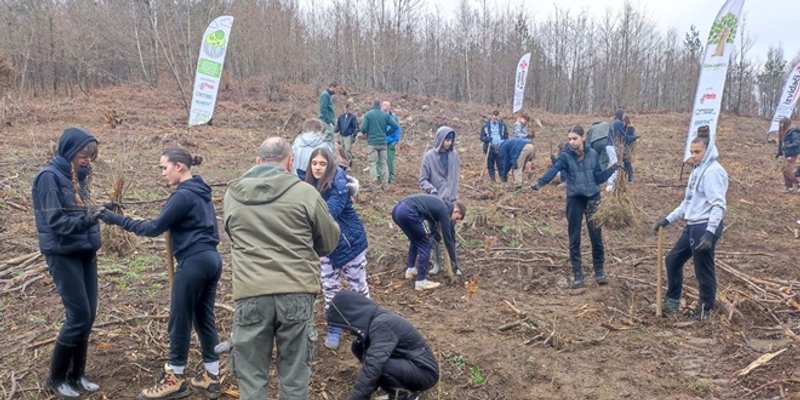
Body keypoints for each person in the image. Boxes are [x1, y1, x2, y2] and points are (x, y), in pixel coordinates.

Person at [223, 137, 340, 399]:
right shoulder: (306, 193)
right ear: (290, 163)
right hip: (296, 293)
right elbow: (329, 241)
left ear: (257, 162)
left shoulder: (232, 194)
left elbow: (233, 234)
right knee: (295, 379)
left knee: (251, 379)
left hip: (250, 294)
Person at [101, 148, 223, 399]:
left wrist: (113, 218)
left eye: (163, 167)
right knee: (203, 317)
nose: (162, 173)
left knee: (179, 319)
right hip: (211, 259)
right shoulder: (201, 191)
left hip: (193, 263)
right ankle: (212, 376)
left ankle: (175, 377)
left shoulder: (183, 196)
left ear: (179, 166)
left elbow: (154, 228)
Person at [32, 127, 103, 399]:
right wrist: (89, 218)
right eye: (83, 154)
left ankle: (78, 375)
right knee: (78, 316)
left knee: (89, 315)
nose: (87, 159)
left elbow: (82, 212)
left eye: (91, 155)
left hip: (85, 251)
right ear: (69, 151)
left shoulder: (79, 177)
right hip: (63, 254)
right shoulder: (48, 178)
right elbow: (56, 222)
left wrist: (101, 210)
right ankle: (57, 377)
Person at [653, 125, 728, 320]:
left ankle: (705, 310)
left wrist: (710, 233)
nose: (694, 155)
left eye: (698, 152)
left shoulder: (713, 172)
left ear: (708, 150)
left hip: (705, 226)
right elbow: (688, 203)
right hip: (692, 225)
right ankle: (672, 301)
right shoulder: (696, 170)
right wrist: (667, 219)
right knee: (673, 260)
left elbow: (718, 205)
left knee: (703, 269)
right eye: (692, 152)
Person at [531, 125, 617, 288]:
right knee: (574, 238)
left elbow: (598, 178)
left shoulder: (593, 154)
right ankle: (578, 274)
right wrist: (540, 182)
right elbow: (554, 169)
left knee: (596, 237)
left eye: (575, 138)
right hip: (575, 200)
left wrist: (612, 170)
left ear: (583, 137)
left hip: (593, 198)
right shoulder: (565, 156)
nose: (572, 142)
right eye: (569, 139)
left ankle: (600, 271)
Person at [304, 148, 370, 350]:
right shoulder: (307, 185)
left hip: (350, 245)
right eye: (314, 163)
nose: (317, 167)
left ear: (330, 165)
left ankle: (366, 324)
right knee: (330, 286)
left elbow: (328, 211)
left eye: (322, 163)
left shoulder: (339, 185)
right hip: (326, 247)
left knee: (357, 286)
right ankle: (335, 326)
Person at [326, 291, 440, 400]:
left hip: (425, 372)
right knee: (358, 347)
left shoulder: (382, 325)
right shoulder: (374, 321)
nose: (347, 332)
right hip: (409, 364)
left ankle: (406, 396)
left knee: (379, 365)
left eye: (345, 326)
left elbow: (373, 366)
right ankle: (397, 391)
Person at [391, 194, 465, 291]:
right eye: (456, 218)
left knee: (416, 239)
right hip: (408, 212)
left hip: (397, 210)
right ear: (456, 211)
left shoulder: (440, 205)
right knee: (426, 243)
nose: (453, 221)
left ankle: (411, 269)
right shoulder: (444, 210)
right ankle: (421, 281)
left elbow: (433, 225)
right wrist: (454, 264)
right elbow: (448, 239)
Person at [418, 126, 460, 275]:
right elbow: (422, 180)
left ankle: (454, 265)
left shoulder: (454, 155)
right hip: (434, 203)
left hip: (450, 202)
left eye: (451, 140)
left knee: (450, 234)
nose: (449, 143)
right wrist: (432, 191)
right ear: (440, 139)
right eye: (446, 140)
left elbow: (455, 178)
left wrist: (454, 195)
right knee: (435, 233)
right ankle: (436, 263)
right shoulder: (429, 157)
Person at [361, 99, 399, 191]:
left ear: (372, 104)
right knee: (384, 164)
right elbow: (395, 126)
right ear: (380, 105)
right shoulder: (385, 115)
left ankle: (373, 186)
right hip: (383, 143)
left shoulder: (368, 115)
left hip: (372, 143)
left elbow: (363, 128)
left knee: (372, 164)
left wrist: (367, 133)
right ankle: (385, 186)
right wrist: (386, 133)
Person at [479, 111, 508, 182]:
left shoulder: (503, 125)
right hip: (490, 147)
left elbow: (506, 136)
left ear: (499, 117)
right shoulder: (485, 126)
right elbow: (482, 137)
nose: (495, 118)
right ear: (491, 116)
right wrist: (487, 139)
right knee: (490, 165)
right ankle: (493, 180)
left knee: (501, 164)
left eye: (496, 117)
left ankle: (503, 180)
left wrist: (504, 143)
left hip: (500, 147)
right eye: (494, 117)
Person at [776, 117, 800, 192]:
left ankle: (798, 182)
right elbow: (781, 144)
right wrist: (779, 153)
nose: (781, 125)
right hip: (786, 154)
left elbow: (797, 142)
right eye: (780, 123)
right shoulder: (781, 133)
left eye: (783, 123)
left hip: (793, 153)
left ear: (786, 124)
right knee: (784, 170)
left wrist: (787, 146)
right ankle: (789, 187)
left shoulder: (792, 132)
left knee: (786, 169)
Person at [605, 109, 626, 191]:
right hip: (612, 146)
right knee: (615, 164)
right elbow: (622, 135)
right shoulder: (618, 123)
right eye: (624, 114)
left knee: (613, 163)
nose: (625, 116)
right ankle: (610, 184)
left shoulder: (614, 122)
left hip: (610, 146)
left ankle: (614, 183)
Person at [383, 101, 403, 184]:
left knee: (389, 161)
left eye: (386, 105)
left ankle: (391, 177)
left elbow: (398, 129)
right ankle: (382, 177)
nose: (384, 107)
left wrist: (396, 140)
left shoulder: (393, 117)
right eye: (383, 105)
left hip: (390, 142)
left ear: (389, 107)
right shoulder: (379, 116)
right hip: (381, 141)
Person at [336, 103, 360, 168]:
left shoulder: (353, 117)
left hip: (348, 135)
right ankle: (344, 163)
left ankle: (350, 162)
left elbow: (356, 127)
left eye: (347, 109)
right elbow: (338, 126)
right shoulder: (341, 116)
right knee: (342, 150)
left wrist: (354, 135)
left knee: (347, 149)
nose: (346, 110)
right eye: (345, 109)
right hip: (342, 135)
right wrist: (335, 131)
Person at [622, 115, 637, 183]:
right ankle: (626, 176)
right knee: (625, 162)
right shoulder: (626, 127)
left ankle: (630, 177)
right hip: (625, 147)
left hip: (628, 148)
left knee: (627, 162)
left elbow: (628, 139)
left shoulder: (630, 128)